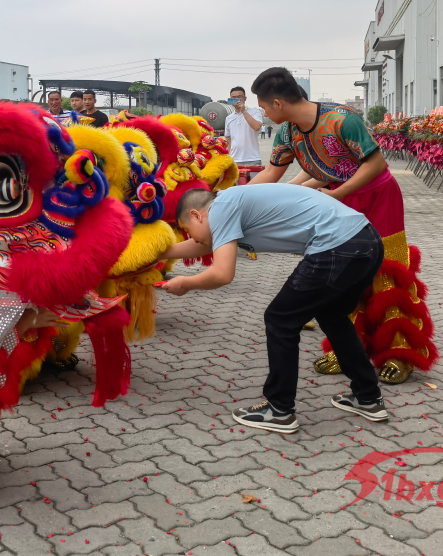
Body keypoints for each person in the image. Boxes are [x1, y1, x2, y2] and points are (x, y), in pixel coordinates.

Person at [248, 67, 436, 384]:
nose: (263, 113)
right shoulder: (286, 132)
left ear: (278, 103)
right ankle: (347, 349)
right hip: (336, 196)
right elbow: (273, 175)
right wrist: (235, 199)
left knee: (386, 272)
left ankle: (400, 353)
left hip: (377, 197)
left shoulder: (341, 119)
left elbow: (376, 163)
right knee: (341, 273)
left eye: (264, 106)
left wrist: (337, 193)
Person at [160, 186, 389, 433]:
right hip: (366, 240)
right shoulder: (229, 203)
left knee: (280, 319)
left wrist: (186, 283)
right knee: (332, 316)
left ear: (196, 215)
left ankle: (279, 410)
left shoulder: (221, 208)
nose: (192, 239)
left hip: (336, 246)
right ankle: (368, 397)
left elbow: (222, 274)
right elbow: (205, 245)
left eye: (188, 232)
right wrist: (157, 254)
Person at [221, 86, 264, 166]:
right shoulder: (228, 118)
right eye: (233, 97)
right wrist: (226, 157)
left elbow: (257, 127)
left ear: (245, 98)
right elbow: (228, 139)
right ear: (230, 99)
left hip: (253, 159)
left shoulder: (254, 111)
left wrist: (243, 111)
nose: (236, 100)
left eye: (239, 97)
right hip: (234, 160)